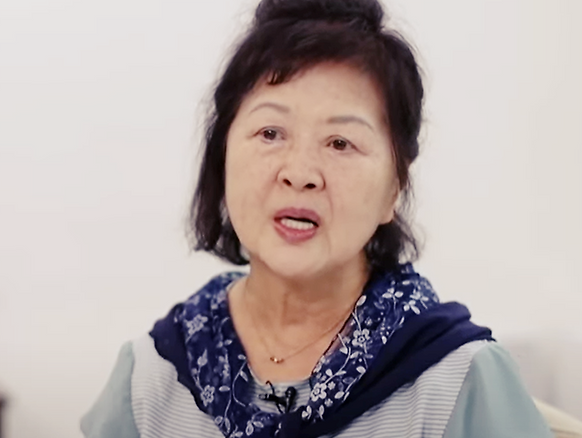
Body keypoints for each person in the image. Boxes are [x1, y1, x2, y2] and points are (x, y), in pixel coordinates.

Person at [81, 0, 554, 437]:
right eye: (271, 133)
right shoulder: (152, 378)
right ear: (222, 157)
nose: (301, 173)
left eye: (340, 143)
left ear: (394, 188)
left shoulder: (457, 382)